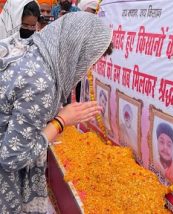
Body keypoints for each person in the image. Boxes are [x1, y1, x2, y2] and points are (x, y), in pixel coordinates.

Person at [0, 12, 112, 213]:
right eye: (91, 61)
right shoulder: (40, 83)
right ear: (77, 51)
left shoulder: (30, 49)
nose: (89, 68)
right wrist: (61, 121)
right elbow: (12, 158)